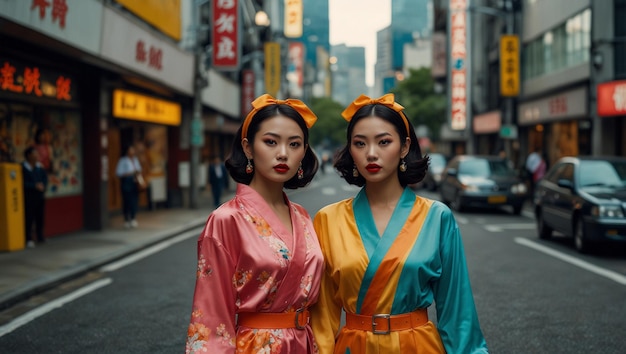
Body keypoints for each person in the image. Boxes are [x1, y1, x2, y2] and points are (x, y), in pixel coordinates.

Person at [310, 94, 488, 353]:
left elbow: (457, 311)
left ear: (404, 147)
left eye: (384, 142)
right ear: (350, 149)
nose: (371, 154)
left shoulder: (437, 217)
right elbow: (322, 317)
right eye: (360, 144)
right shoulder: (328, 219)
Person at [186, 94, 324, 353]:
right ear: (248, 147)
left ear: (304, 152)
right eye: (270, 142)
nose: (283, 154)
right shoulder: (226, 220)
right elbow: (211, 316)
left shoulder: (302, 216)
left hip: (304, 343)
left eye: (294, 145)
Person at [22, 146, 48, 248]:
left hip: (39, 196)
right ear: (28, 155)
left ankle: (40, 236)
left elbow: (45, 178)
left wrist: (43, 185)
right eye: (35, 154)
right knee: (29, 218)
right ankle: (28, 238)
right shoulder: (23, 168)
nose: (37, 156)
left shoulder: (39, 167)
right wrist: (34, 186)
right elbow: (21, 183)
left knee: (40, 217)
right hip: (28, 197)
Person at [116, 145, 142, 229]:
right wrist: (130, 173)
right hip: (126, 182)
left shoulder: (135, 160)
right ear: (127, 151)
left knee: (134, 200)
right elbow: (119, 173)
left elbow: (139, 170)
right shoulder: (123, 161)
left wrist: (137, 172)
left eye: (133, 150)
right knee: (126, 201)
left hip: (135, 182)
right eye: (130, 150)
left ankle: (133, 218)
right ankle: (127, 219)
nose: (132, 152)